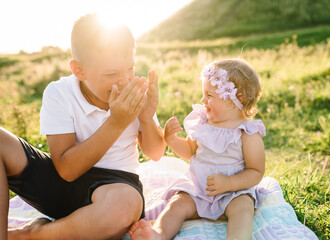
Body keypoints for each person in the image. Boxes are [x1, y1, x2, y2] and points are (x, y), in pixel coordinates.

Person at [1, 13, 166, 240]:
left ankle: (30, 235)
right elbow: (67, 171)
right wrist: (115, 123)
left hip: (115, 187)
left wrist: (147, 119)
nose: (125, 81)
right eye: (112, 74)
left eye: (130, 69)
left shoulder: (133, 94)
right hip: (62, 182)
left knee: (125, 207)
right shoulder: (59, 93)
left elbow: (155, 153)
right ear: (79, 70)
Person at [129, 59, 266, 240]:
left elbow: (256, 171)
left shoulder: (247, 132)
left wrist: (229, 183)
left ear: (237, 99)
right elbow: (189, 151)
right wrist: (172, 139)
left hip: (233, 192)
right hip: (198, 189)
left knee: (243, 208)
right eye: (204, 94)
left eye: (210, 96)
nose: (203, 100)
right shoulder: (202, 122)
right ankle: (159, 234)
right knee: (177, 204)